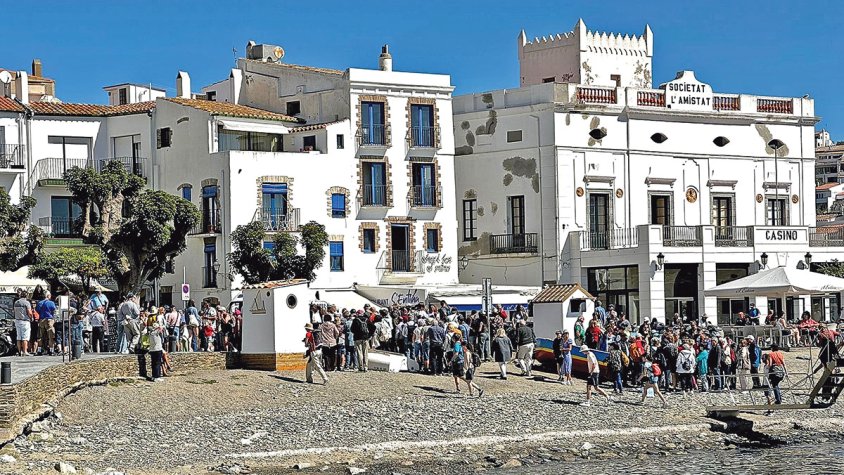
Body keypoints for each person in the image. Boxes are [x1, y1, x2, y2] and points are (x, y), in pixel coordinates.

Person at [13, 290, 33, 356]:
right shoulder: (26, 303)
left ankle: (19, 351)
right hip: (25, 321)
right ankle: (25, 351)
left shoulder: (16, 302)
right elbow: (29, 312)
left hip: (17, 320)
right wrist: (31, 318)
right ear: (26, 295)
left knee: (19, 337)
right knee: (25, 337)